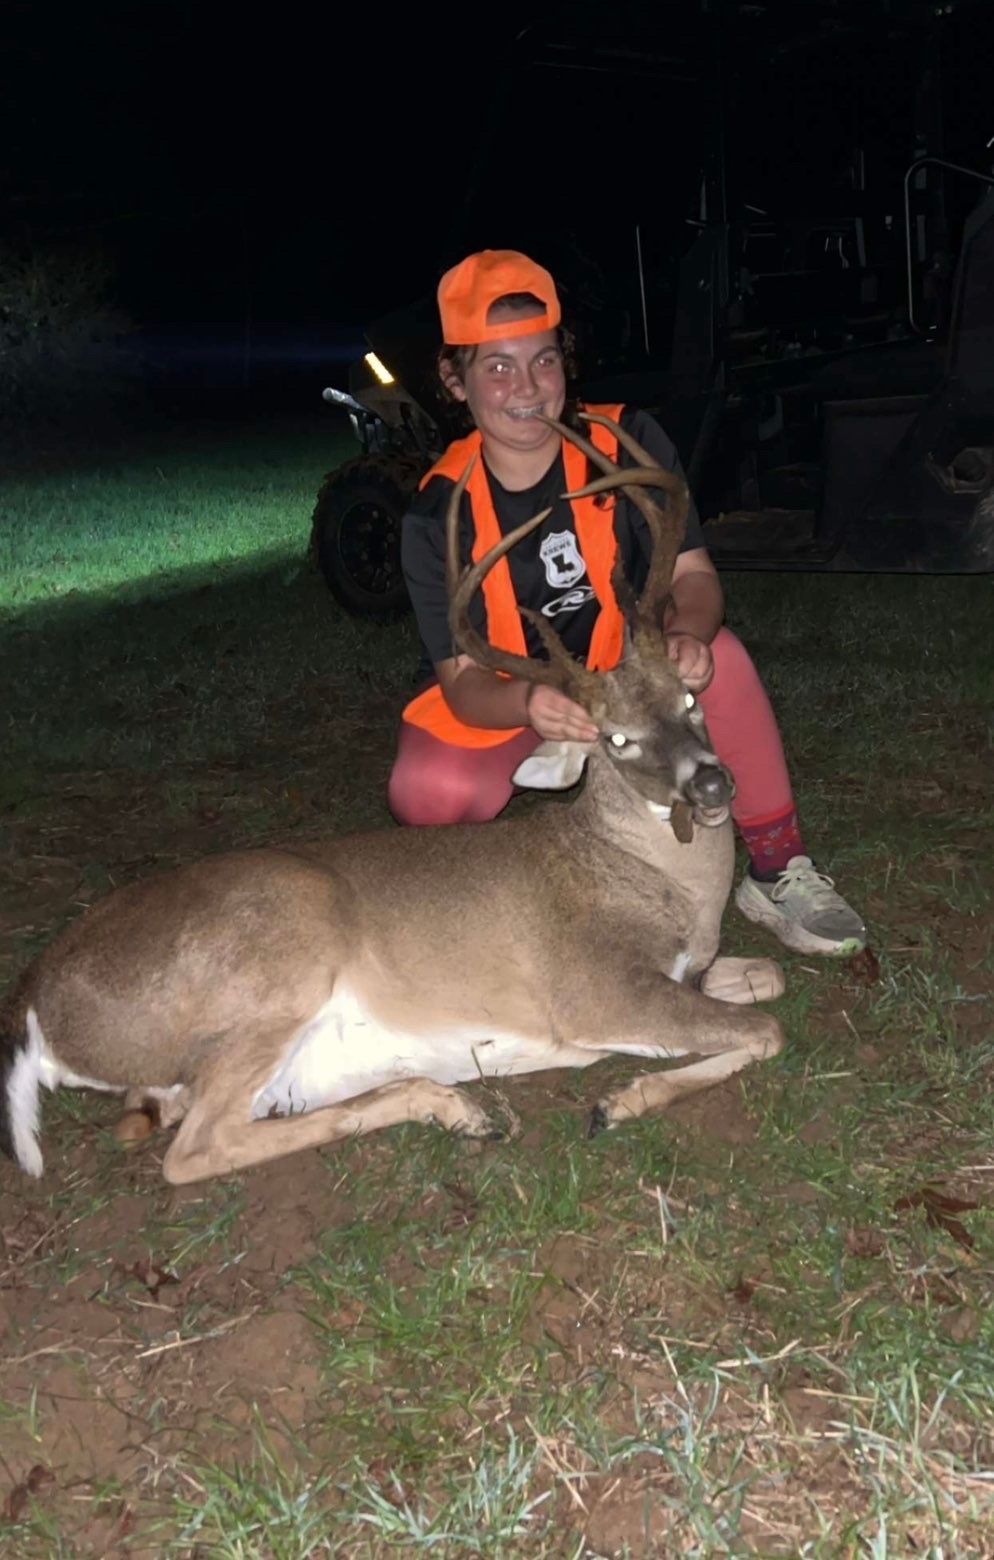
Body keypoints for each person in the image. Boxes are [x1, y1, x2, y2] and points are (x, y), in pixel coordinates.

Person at [387, 249, 866, 958]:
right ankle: (485, 913)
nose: (526, 387)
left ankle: (776, 868)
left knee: (720, 659)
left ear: (565, 361)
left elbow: (695, 576)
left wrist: (690, 634)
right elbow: (461, 682)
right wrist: (526, 705)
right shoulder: (437, 513)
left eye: (543, 361)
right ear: (455, 382)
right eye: (496, 367)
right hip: (519, 693)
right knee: (430, 788)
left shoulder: (628, 442)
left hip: (630, 676)